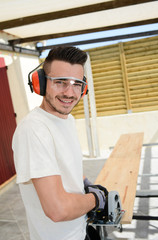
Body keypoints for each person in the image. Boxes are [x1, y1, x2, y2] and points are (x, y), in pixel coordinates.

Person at [12, 46, 107, 240]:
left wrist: (85, 183)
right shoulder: (34, 129)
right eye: (60, 82)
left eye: (77, 84)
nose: (69, 93)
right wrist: (96, 199)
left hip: (79, 230)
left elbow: (66, 165)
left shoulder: (66, 119)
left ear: (84, 87)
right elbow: (58, 210)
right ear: (41, 83)